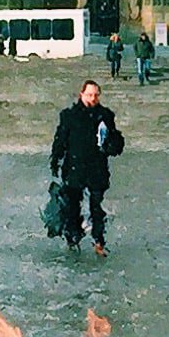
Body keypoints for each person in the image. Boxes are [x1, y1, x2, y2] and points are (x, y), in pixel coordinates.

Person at [50, 76, 125, 254]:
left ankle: (99, 240)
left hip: (96, 167)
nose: (93, 99)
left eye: (96, 95)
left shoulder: (105, 115)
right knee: (72, 205)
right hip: (75, 166)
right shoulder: (69, 116)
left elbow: (115, 140)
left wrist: (112, 145)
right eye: (90, 95)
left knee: (96, 206)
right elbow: (60, 139)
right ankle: (72, 237)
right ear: (81, 94)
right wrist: (55, 160)